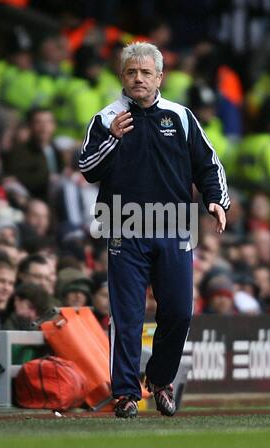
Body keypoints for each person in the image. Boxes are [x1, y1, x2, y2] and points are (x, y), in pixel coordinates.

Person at [79, 42, 230, 418]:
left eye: (146, 72)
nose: (139, 79)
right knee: (127, 315)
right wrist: (112, 137)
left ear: (159, 77)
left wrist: (216, 200)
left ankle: (160, 381)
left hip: (175, 228)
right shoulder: (105, 118)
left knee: (179, 311)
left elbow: (208, 165)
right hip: (124, 229)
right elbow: (88, 169)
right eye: (131, 72)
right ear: (122, 76)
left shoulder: (180, 116)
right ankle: (127, 394)